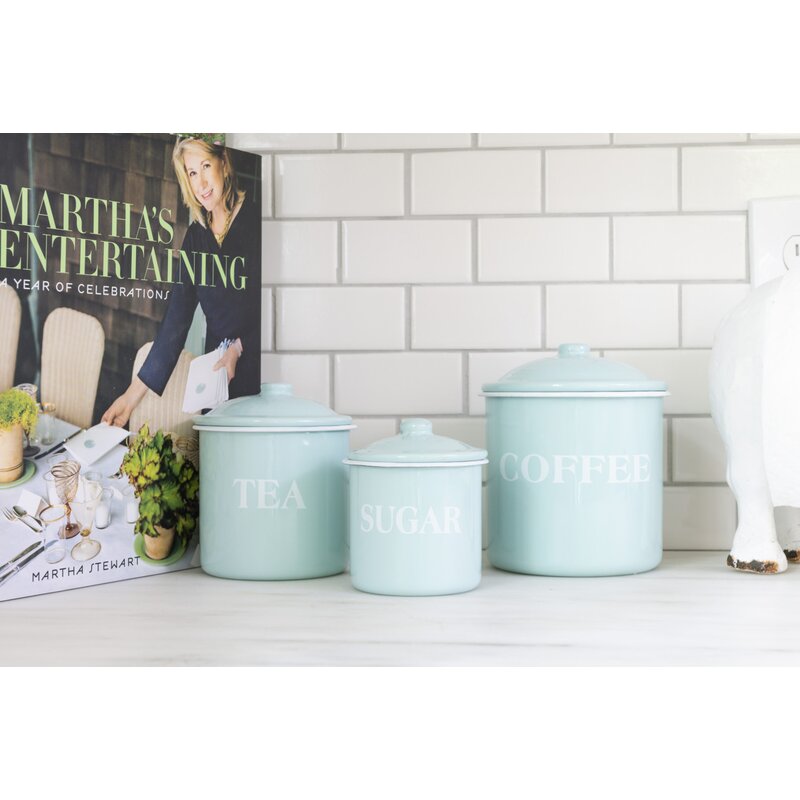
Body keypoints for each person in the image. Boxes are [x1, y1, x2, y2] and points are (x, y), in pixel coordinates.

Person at [102, 135, 260, 427]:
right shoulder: (196, 238)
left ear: (224, 163)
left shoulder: (256, 220)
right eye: (192, 173)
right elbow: (175, 321)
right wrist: (129, 398)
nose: (201, 183)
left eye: (206, 166)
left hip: (255, 377)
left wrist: (239, 348)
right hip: (217, 381)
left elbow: (273, 315)